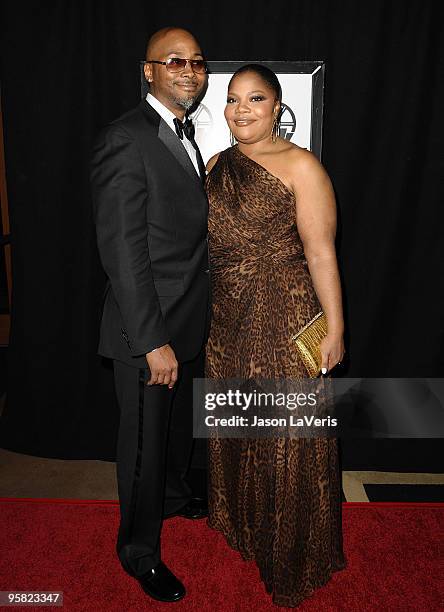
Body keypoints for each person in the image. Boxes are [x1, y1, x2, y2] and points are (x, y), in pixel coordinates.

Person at [205, 64, 347, 607]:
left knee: (291, 433)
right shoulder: (217, 164)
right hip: (229, 317)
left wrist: (334, 328)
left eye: (255, 99)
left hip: (289, 313)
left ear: (277, 106)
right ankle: (247, 527)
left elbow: (321, 252)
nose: (242, 110)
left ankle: (294, 550)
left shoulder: (302, 166)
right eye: (234, 99)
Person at [90, 28, 210, 603]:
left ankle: (176, 497)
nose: (189, 71)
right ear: (148, 71)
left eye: (197, 62)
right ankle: (139, 553)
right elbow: (122, 252)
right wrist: (152, 340)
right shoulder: (125, 138)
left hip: (186, 316)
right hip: (148, 329)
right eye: (175, 61)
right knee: (142, 446)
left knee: (173, 434)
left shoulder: (184, 134)